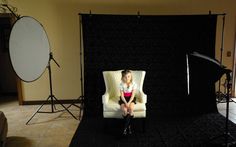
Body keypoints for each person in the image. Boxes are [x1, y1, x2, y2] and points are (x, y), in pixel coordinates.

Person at [119, 69, 137, 135]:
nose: (127, 78)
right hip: (123, 99)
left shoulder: (133, 83)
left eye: (129, 76)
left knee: (131, 109)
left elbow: (133, 95)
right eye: (125, 77)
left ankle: (125, 128)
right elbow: (122, 96)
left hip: (131, 99)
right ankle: (128, 126)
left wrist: (129, 102)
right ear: (123, 77)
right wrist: (126, 103)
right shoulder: (121, 84)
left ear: (131, 76)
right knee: (124, 110)